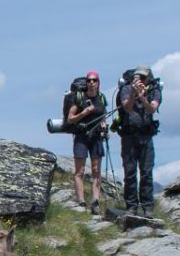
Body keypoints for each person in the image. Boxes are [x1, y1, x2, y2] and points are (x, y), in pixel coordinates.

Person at [115, 65, 161, 216]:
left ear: (148, 77)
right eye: (137, 76)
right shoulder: (126, 89)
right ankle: (131, 206)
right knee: (130, 172)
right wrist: (134, 93)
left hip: (146, 136)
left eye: (142, 77)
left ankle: (147, 207)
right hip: (129, 136)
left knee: (146, 172)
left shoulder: (154, 90)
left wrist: (142, 96)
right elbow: (127, 108)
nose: (139, 79)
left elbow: (151, 109)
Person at [66, 71, 108, 215]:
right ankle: (81, 200)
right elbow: (70, 119)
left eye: (94, 80)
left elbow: (103, 115)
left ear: (98, 82)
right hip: (81, 136)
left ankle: (95, 201)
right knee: (80, 170)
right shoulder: (79, 98)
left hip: (96, 137)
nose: (91, 83)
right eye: (89, 80)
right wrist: (84, 113)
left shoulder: (101, 98)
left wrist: (104, 125)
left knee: (96, 170)